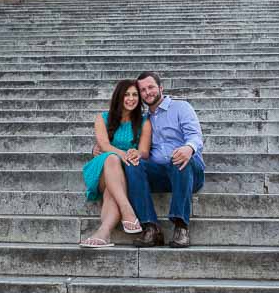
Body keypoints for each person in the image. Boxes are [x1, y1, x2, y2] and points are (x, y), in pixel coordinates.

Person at [122, 71, 205, 249]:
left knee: (179, 159)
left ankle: (181, 226)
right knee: (133, 164)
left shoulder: (181, 107)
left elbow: (195, 136)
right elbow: (125, 140)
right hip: (160, 174)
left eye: (151, 87)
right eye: (142, 90)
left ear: (160, 88)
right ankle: (151, 227)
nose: (147, 92)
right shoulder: (144, 120)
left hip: (188, 172)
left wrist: (188, 148)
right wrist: (98, 147)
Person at [79, 79, 152, 248]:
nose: (131, 98)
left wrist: (136, 153)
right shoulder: (102, 118)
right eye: (126, 94)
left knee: (113, 191)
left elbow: (144, 151)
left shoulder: (144, 121)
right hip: (102, 170)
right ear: (118, 97)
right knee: (111, 158)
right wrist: (124, 154)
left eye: (135, 95)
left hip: (124, 172)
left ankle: (103, 233)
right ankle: (127, 209)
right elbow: (104, 145)